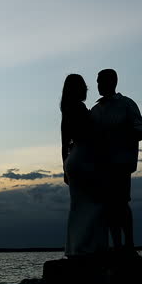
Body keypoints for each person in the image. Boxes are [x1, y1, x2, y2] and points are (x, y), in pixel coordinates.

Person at [89, 69, 142, 250]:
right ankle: (116, 245)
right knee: (108, 206)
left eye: (101, 81)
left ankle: (129, 244)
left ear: (112, 82)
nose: (98, 85)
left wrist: (126, 136)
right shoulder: (95, 110)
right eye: (97, 81)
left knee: (121, 203)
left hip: (121, 162)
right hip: (101, 165)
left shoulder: (126, 104)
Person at [61, 74, 108, 256]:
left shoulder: (66, 109)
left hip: (72, 160)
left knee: (78, 206)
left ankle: (76, 248)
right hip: (85, 157)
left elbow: (64, 142)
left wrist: (64, 168)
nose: (87, 88)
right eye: (84, 86)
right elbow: (92, 135)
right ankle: (90, 247)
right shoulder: (80, 108)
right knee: (97, 203)